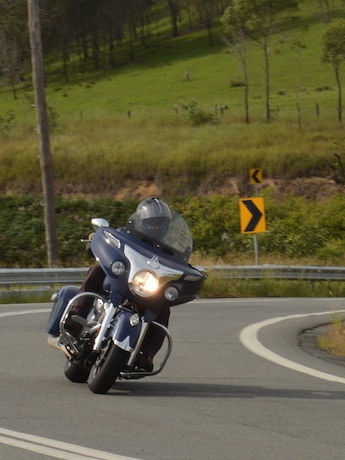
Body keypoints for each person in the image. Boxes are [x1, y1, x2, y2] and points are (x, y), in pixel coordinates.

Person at [64, 197, 173, 372]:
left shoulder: (169, 249)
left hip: (144, 289)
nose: (158, 227)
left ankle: (146, 354)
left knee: (163, 308)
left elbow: (178, 265)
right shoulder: (126, 234)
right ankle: (76, 316)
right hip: (121, 281)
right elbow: (108, 241)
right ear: (141, 221)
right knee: (98, 269)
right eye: (153, 223)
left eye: (162, 223)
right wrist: (96, 240)